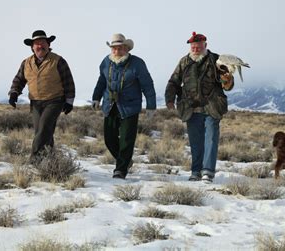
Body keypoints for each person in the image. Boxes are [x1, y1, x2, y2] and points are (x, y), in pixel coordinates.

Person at [165, 32, 234, 182]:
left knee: (211, 138)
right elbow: (173, 81)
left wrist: (227, 80)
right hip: (191, 107)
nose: (195, 49)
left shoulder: (217, 60)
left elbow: (227, 85)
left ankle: (208, 172)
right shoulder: (184, 62)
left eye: (198, 46)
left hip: (212, 106)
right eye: (193, 47)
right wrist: (169, 99)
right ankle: (196, 171)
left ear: (205, 46)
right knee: (195, 141)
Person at [92, 33, 156, 179]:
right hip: (110, 105)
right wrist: (96, 97)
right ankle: (126, 161)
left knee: (126, 139)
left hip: (129, 107)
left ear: (126, 48)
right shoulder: (106, 62)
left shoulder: (137, 63)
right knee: (109, 139)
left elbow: (147, 84)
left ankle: (120, 169)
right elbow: (102, 81)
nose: (117, 51)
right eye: (114, 48)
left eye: (120, 48)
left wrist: (151, 105)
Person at [8, 30, 75, 163]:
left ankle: (34, 160)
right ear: (32, 47)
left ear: (48, 44)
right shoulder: (26, 63)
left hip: (54, 101)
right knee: (43, 131)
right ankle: (49, 160)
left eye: (43, 43)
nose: (40, 46)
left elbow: (68, 81)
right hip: (36, 102)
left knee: (44, 128)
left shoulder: (58, 61)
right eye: (37, 44)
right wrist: (14, 93)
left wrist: (69, 101)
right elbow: (19, 80)